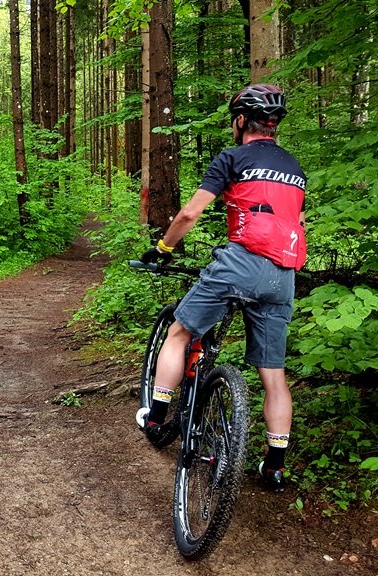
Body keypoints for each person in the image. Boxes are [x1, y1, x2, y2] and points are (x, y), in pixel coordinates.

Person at [136, 84, 306, 492]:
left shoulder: (232, 157)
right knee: (274, 374)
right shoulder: (295, 168)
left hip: (240, 262)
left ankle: (156, 414)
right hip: (283, 274)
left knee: (180, 331)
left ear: (240, 121)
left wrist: (162, 249)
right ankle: (275, 465)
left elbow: (191, 212)